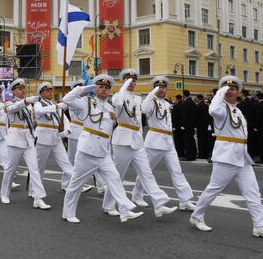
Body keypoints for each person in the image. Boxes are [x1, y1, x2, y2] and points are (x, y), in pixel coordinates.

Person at [190, 76, 263, 240]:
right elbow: (212, 110)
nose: (230, 91)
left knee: (253, 192)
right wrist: (221, 91)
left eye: (233, 88)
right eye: (226, 88)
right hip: (226, 156)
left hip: (241, 156)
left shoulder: (237, 109)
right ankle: (196, 216)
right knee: (213, 189)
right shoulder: (221, 108)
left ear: (238, 92)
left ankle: (259, 226)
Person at [62, 74, 143, 224]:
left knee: (115, 180)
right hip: (87, 150)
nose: (104, 90)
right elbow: (67, 100)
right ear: (95, 89)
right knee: (76, 184)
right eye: (100, 87)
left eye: (106, 88)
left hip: (103, 152)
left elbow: (110, 131)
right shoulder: (86, 102)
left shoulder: (111, 108)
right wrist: (84, 88)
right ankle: (68, 213)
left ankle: (124, 210)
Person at [103, 70, 177, 218]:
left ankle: (159, 204)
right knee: (117, 176)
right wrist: (125, 86)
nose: (132, 82)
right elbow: (118, 103)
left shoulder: (137, 98)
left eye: (134, 80)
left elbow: (142, 113)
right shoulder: (118, 95)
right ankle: (108, 205)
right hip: (123, 139)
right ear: (122, 81)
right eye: (128, 79)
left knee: (147, 173)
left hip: (137, 139)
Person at [134, 75, 196, 212]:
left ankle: (184, 200)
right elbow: (143, 109)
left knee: (177, 171)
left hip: (168, 142)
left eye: (163, 87)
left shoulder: (167, 104)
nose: (161, 90)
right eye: (158, 87)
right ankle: (137, 195)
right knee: (146, 171)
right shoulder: (150, 102)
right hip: (154, 142)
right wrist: (152, 93)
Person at [0, 79, 50, 209]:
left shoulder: (28, 105)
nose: (23, 91)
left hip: (28, 139)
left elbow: (32, 121)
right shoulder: (9, 102)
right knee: (11, 169)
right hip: (15, 139)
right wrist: (26, 101)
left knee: (34, 169)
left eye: (23, 89)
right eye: (20, 89)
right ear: (14, 91)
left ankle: (38, 198)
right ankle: (4, 194)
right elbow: (12, 109)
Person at [33, 82, 74, 193]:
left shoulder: (55, 105)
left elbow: (65, 120)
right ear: (41, 93)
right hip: (42, 138)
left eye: (51, 90)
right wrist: (57, 106)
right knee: (39, 167)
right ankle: (34, 190)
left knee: (66, 163)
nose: (50, 92)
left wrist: (66, 131)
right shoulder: (38, 103)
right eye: (47, 90)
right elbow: (38, 111)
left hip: (56, 138)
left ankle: (76, 183)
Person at [65, 80, 100, 193]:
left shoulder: (86, 101)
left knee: (91, 158)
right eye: (81, 88)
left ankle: (101, 185)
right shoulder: (73, 101)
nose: (84, 90)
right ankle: (65, 183)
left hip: (85, 131)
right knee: (71, 160)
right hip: (75, 131)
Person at [181, 90, 197, 161]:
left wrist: (183, 124)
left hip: (187, 125)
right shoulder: (192, 102)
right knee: (192, 140)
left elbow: (185, 114)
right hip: (192, 125)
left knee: (187, 141)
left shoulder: (186, 103)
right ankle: (193, 155)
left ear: (184, 95)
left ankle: (189, 156)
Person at [195, 94, 211, 159]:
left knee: (201, 140)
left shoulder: (198, 106)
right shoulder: (205, 106)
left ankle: (201, 154)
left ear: (198, 98)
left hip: (200, 125)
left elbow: (197, 116)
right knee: (205, 140)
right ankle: (206, 154)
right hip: (205, 125)